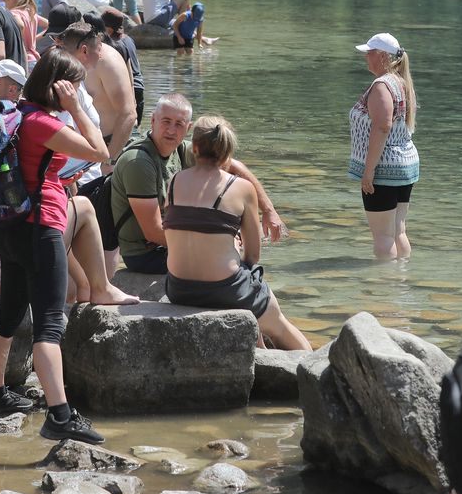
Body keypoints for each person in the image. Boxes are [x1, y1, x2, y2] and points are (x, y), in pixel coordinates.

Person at [0, 49, 107, 445]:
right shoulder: (41, 122)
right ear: (60, 86)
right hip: (40, 228)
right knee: (50, 323)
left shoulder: (16, 114)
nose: (79, 92)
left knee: (9, 315)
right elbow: (102, 152)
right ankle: (60, 416)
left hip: (11, 227)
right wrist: (76, 109)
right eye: (76, 85)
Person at [164, 116, 310, 350]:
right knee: (280, 324)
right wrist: (234, 249)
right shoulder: (240, 187)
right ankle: (311, 370)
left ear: (195, 147)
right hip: (225, 291)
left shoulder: (174, 181)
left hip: (178, 289)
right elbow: (253, 256)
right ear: (227, 152)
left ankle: (259, 345)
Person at [110, 93, 284, 274]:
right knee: (236, 267)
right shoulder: (138, 162)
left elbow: (233, 166)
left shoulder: (181, 149)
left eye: (179, 124)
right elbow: (152, 232)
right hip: (147, 254)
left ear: (188, 128)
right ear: (153, 120)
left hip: (172, 245)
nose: (171, 130)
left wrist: (269, 211)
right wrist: (214, 244)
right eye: (166, 121)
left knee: (234, 263)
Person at [349, 33, 419, 259]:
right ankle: (401, 281)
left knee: (383, 236)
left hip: (384, 167)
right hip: (404, 163)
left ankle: (384, 286)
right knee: (398, 231)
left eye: (369, 53)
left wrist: (368, 172)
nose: (366, 57)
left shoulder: (381, 85)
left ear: (382, 56)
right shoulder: (401, 82)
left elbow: (382, 127)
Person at [55, 22, 134, 177]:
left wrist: (109, 160)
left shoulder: (107, 62)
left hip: (108, 148)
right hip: (82, 160)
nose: (101, 52)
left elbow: (129, 114)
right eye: (99, 48)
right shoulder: (70, 71)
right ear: (84, 50)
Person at [102, 8, 145, 126]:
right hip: (139, 86)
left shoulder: (114, 44)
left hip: (128, 89)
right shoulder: (128, 39)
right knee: (135, 130)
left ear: (109, 28)